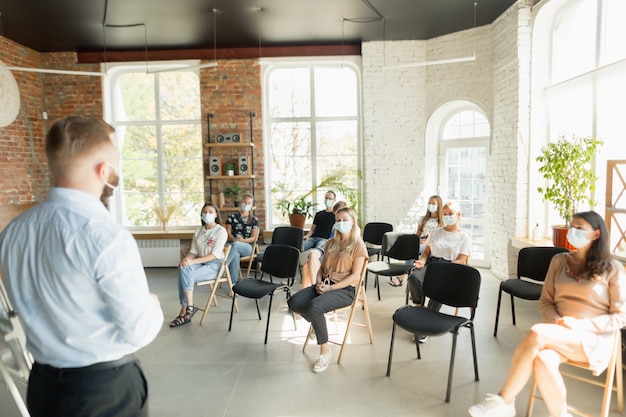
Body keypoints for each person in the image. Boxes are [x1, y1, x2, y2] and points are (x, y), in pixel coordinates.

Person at [0, 116, 164, 417]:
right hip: (102, 392)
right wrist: (152, 305)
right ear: (104, 171)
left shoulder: (13, 232)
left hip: (43, 388)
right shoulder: (105, 236)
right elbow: (138, 330)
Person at [468, 211, 626, 417]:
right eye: (572, 226)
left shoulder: (613, 268)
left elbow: (620, 316)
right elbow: (546, 302)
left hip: (593, 339)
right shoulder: (559, 261)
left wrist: (581, 326)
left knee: (537, 333)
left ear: (596, 234)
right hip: (560, 332)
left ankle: (504, 401)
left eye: (580, 228)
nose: (572, 231)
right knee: (543, 360)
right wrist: (557, 321)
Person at [288, 207, 368, 373]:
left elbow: (355, 276)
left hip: (345, 289)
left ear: (353, 222)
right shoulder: (331, 243)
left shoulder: (358, 245)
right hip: (325, 283)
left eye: (345, 219)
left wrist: (331, 287)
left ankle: (325, 351)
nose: (341, 223)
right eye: (338, 220)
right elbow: (321, 269)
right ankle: (318, 325)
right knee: (293, 302)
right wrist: (318, 282)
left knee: (315, 307)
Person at [407, 200, 471, 313]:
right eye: (445, 214)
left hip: (450, 267)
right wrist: (422, 261)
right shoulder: (436, 232)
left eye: (450, 214)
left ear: (459, 215)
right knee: (414, 278)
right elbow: (426, 253)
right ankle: (419, 308)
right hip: (432, 264)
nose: (447, 217)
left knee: (438, 285)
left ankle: (430, 314)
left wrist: (445, 268)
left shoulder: (464, 237)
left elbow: (462, 260)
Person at [170, 202, 227, 327]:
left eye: (210, 212)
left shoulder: (220, 231)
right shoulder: (198, 231)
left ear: (216, 214)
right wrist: (186, 260)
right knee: (184, 268)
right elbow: (193, 252)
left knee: (184, 274)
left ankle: (184, 310)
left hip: (214, 266)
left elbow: (214, 255)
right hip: (201, 263)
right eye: (205, 212)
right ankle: (189, 306)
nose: (207, 214)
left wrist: (192, 262)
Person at [389, 195, 444, 287]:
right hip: (421, 243)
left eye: (433, 203)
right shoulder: (423, 219)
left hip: (432, 245)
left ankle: (401, 277)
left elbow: (441, 237)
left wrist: (427, 242)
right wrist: (417, 241)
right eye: (429, 203)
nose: (430, 205)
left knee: (414, 250)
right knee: (412, 248)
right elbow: (417, 234)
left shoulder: (442, 221)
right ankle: (405, 276)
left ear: (439, 205)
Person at [301, 200, 348, 288]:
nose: (339, 220)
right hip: (329, 251)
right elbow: (332, 241)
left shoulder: (350, 230)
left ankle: (315, 287)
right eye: (337, 217)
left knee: (311, 258)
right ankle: (313, 288)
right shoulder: (335, 227)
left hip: (337, 258)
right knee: (306, 266)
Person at [224, 193, 260, 284]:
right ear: (241, 202)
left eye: (249, 203)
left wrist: (242, 241)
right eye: (245, 202)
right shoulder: (232, 217)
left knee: (235, 246)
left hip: (246, 246)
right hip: (233, 244)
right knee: (235, 253)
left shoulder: (254, 220)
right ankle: (234, 284)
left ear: (251, 205)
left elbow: (253, 238)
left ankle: (223, 267)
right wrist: (233, 238)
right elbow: (227, 233)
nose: (246, 204)